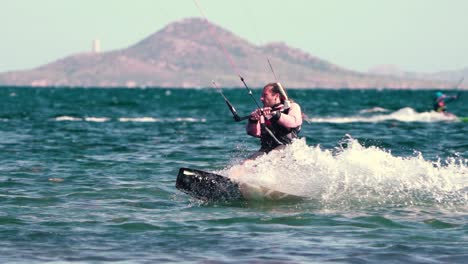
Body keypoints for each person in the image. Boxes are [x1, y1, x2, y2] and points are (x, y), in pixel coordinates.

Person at [246, 82, 302, 159]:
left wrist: (275, 114)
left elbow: (294, 122)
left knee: (270, 157)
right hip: (265, 150)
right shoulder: (264, 112)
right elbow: (254, 133)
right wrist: (253, 120)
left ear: (276, 96)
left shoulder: (293, 107)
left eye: (265, 95)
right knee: (243, 166)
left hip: (286, 148)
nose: (261, 98)